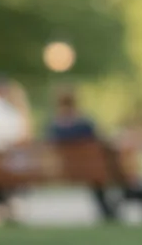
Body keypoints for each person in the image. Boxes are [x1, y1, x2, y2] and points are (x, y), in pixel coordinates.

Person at [47, 87, 119, 222]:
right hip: (89, 169)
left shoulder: (53, 126)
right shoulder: (84, 123)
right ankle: (109, 210)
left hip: (64, 168)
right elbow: (100, 140)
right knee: (102, 171)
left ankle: (109, 210)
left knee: (96, 172)